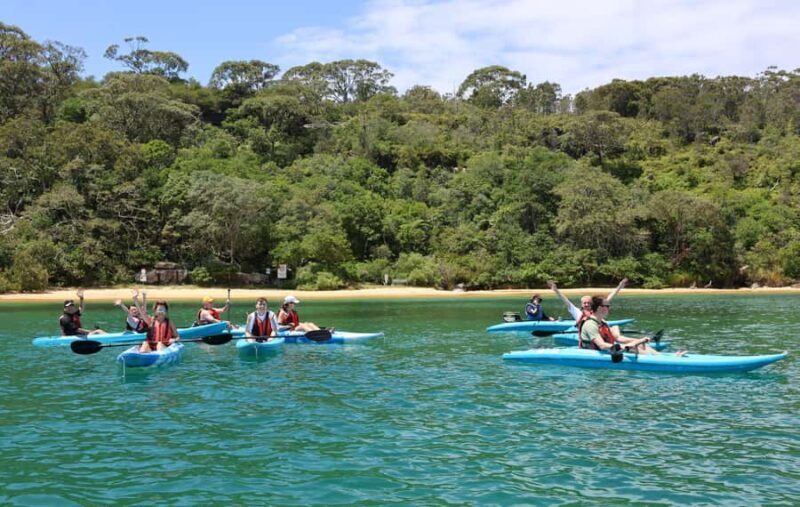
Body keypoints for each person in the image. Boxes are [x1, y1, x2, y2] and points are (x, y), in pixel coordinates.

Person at [579, 296, 663, 354]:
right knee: (634, 348)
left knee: (640, 345)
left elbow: (617, 338)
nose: (609, 308)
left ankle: (659, 356)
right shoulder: (590, 324)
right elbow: (602, 345)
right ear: (600, 308)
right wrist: (626, 346)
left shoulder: (602, 322)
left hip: (608, 350)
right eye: (607, 306)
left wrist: (638, 341)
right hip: (596, 353)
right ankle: (658, 361)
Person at [548, 278, 627, 333]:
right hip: (587, 334)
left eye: (588, 303)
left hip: (597, 332)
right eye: (584, 303)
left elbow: (609, 298)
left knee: (615, 328)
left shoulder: (597, 310)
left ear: (592, 303)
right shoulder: (578, 312)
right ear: (581, 304)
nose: (586, 304)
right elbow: (565, 300)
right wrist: (556, 290)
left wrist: (619, 287)